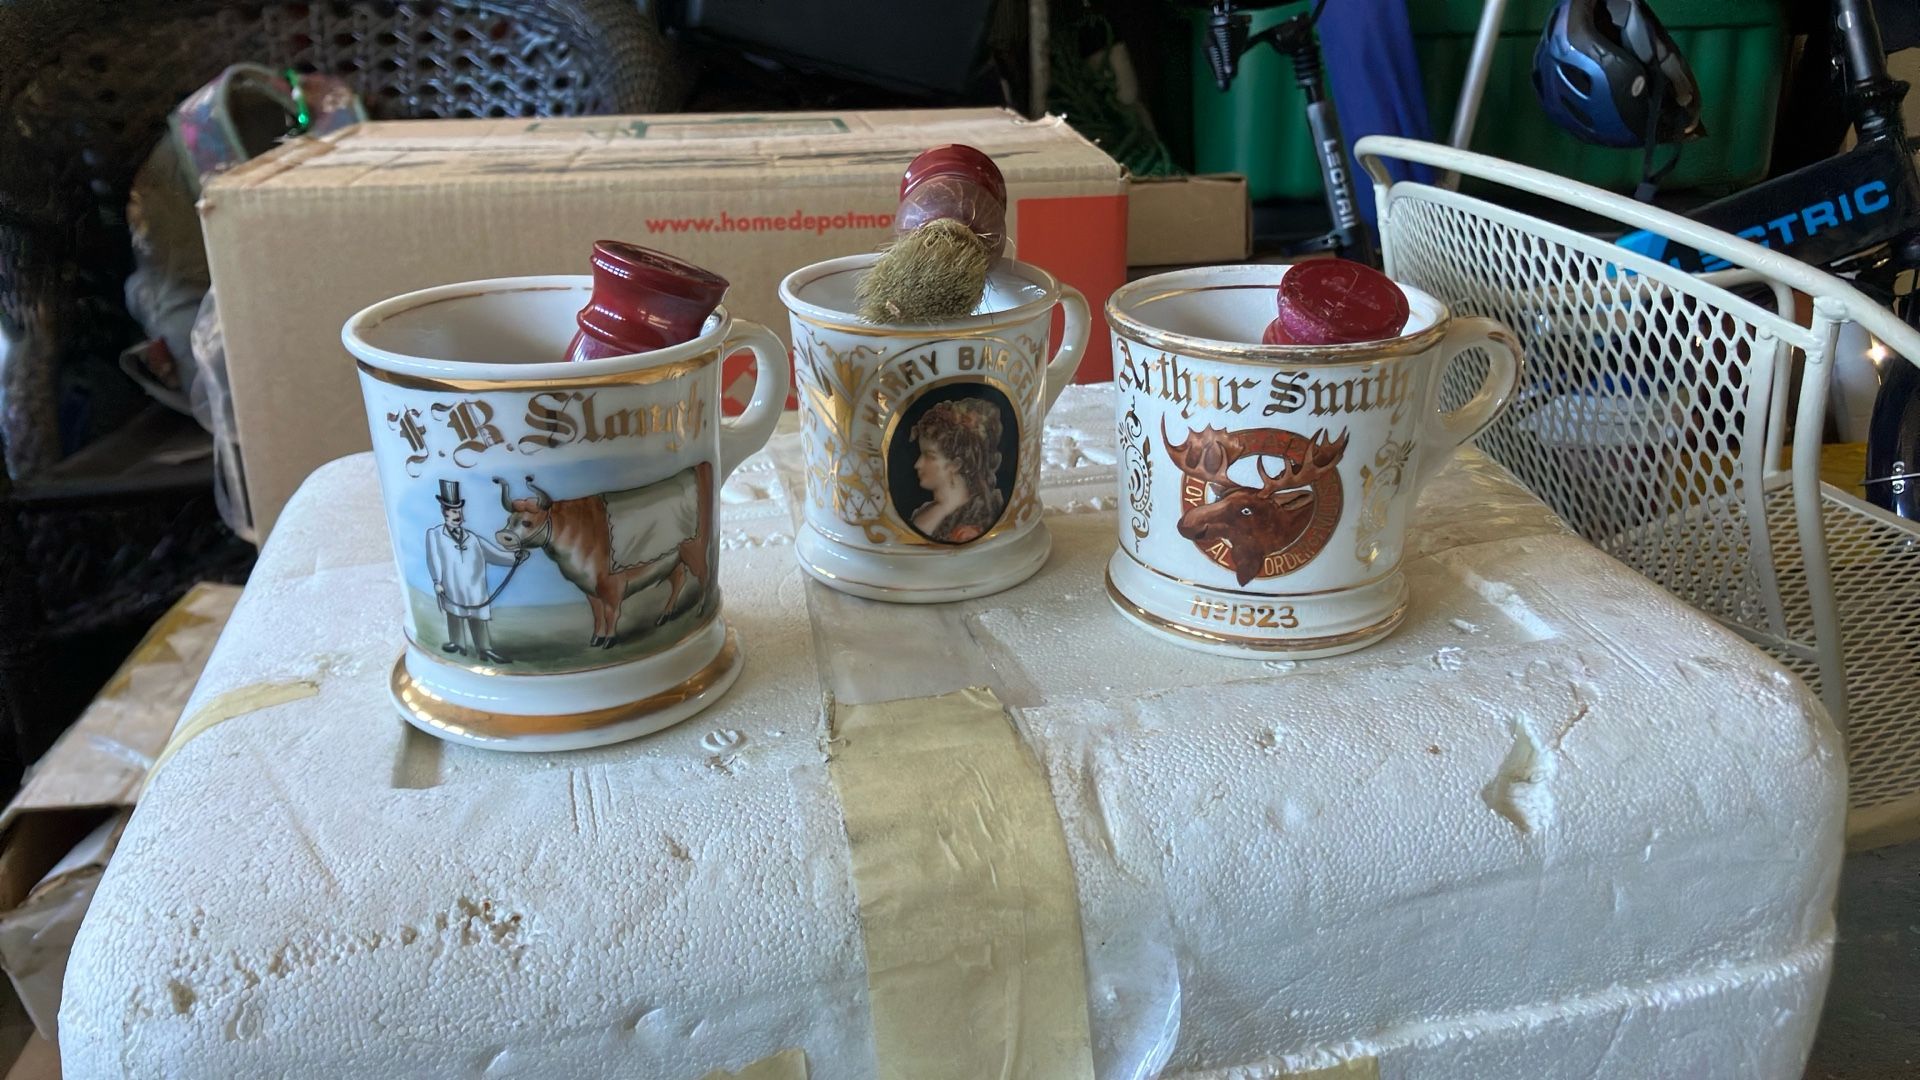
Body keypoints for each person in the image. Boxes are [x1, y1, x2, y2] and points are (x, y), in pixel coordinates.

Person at [424, 479, 525, 662]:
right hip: (452, 583)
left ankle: (485, 649)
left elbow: (494, 555)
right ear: (444, 513)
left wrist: (515, 558)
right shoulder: (435, 535)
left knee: (477, 616)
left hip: (474, 586)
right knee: (454, 613)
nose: (458, 516)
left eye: (460, 512)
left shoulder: (472, 538)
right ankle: (457, 644)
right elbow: (434, 558)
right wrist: (437, 582)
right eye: (454, 512)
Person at [907, 398, 1007, 543]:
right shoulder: (924, 511)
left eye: (929, 456)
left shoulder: (978, 515)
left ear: (956, 464)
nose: (918, 464)